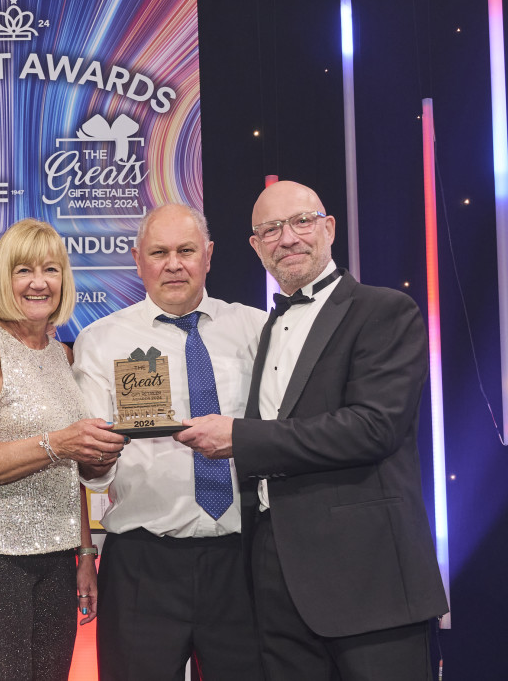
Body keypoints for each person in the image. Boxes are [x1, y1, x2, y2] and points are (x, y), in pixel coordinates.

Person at [183, 180, 449, 681]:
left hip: (369, 579)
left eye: (301, 222)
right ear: (255, 246)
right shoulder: (266, 329)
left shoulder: (384, 310)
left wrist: (240, 439)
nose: (288, 238)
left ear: (328, 228)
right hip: (274, 574)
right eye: (271, 229)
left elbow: (373, 427)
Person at [72, 204, 266, 681]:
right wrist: (94, 455)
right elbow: (94, 471)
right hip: (143, 563)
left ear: (209, 255)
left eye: (186, 250)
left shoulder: (257, 330)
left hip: (244, 560)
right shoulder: (100, 341)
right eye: (159, 252)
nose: (173, 264)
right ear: (138, 260)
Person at [0, 218, 125, 681]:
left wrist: (85, 553)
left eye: (50, 269)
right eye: (23, 270)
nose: (38, 282)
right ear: (5, 279)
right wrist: (56, 444)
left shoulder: (64, 356)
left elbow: (71, 471)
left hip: (59, 553)